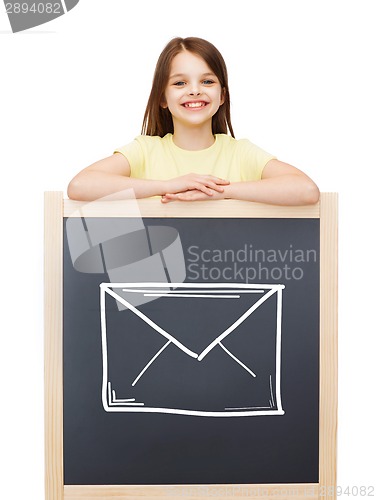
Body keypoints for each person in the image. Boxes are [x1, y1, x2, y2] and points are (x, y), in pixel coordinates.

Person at [67, 37, 319, 205]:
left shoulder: (240, 153)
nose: (195, 91)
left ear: (222, 96)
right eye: (180, 83)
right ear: (162, 98)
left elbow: (306, 190)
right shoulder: (145, 151)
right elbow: (80, 186)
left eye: (207, 81)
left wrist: (219, 192)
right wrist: (169, 186)